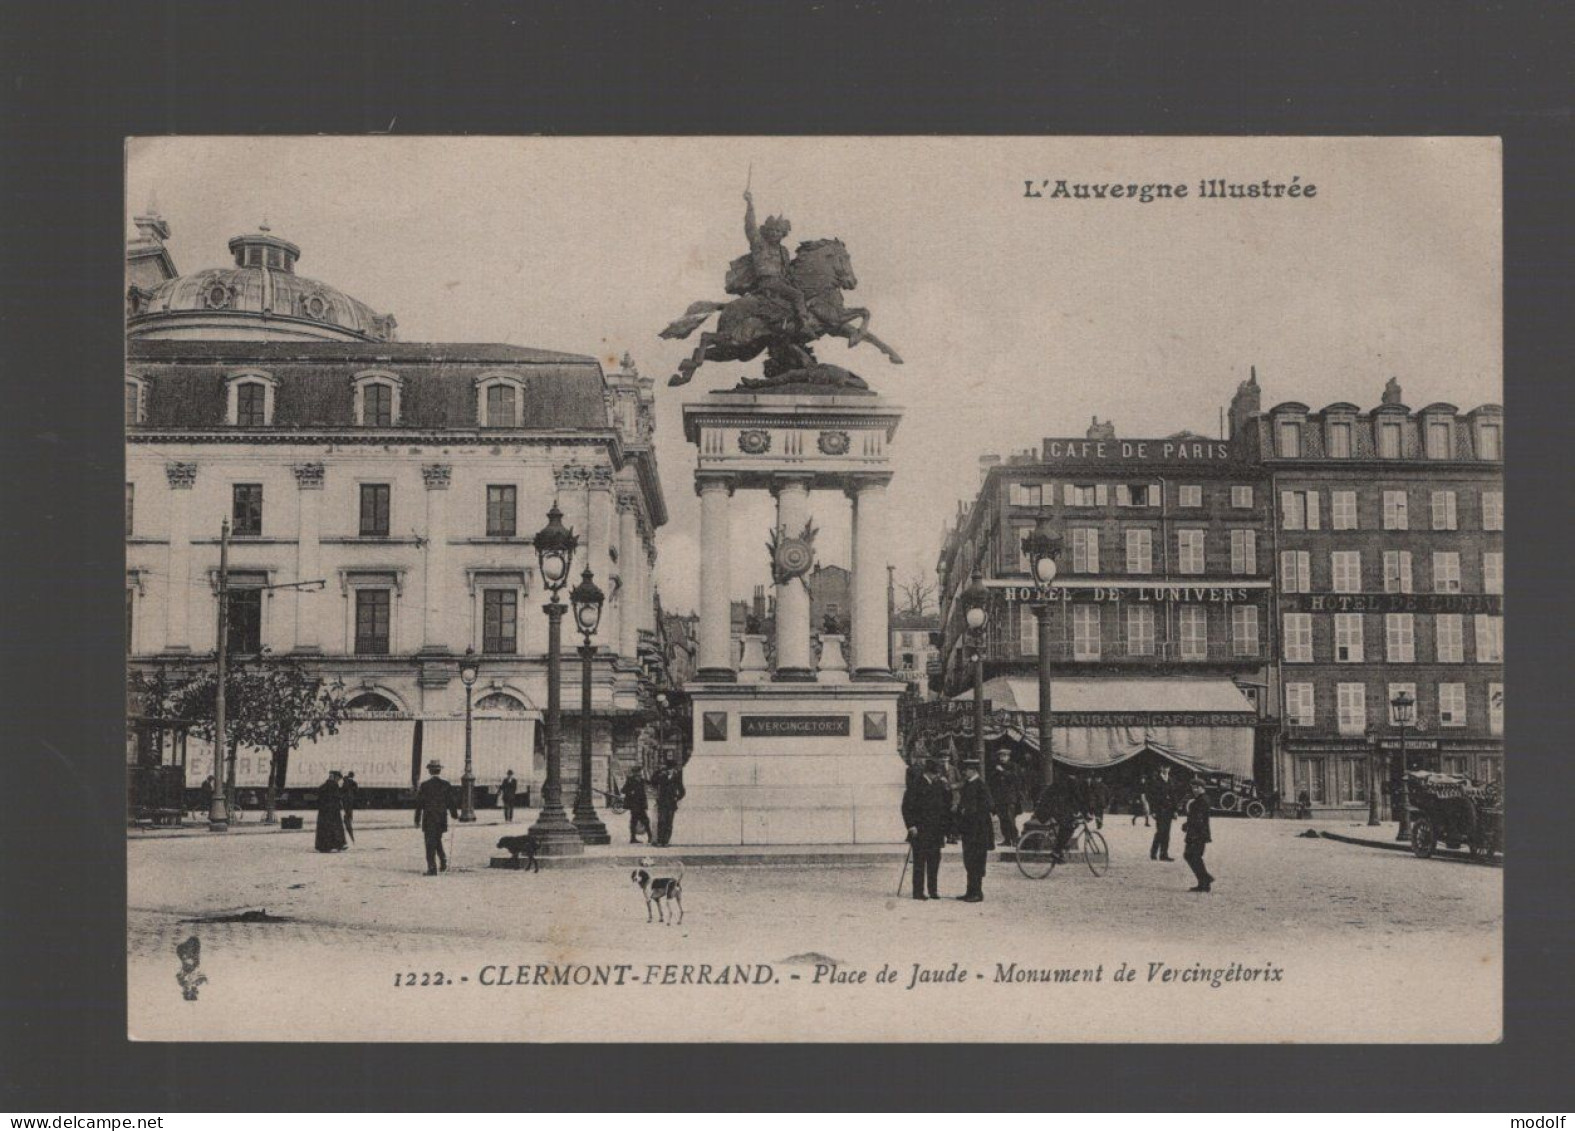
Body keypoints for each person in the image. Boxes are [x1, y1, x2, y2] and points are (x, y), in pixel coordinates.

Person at [738, 189, 813, 330]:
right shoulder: (759, 243)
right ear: (767, 231)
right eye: (772, 230)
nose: (774, 233)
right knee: (798, 295)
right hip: (767, 282)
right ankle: (804, 323)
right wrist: (750, 204)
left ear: (782, 234)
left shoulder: (783, 251)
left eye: (778, 231)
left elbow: (787, 270)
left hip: (781, 282)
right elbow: (750, 226)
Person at [902, 757, 953, 900]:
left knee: (934, 861)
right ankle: (918, 892)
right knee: (919, 862)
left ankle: (933, 890)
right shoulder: (916, 784)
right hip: (920, 830)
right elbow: (906, 807)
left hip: (936, 830)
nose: (938, 776)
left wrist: (947, 789)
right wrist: (911, 825)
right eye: (936, 773)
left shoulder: (938, 785)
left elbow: (946, 804)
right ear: (929, 773)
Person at [954, 759, 995, 902]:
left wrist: (970, 812)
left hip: (978, 831)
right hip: (969, 831)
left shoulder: (981, 786)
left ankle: (977, 893)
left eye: (966, 769)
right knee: (969, 861)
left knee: (977, 862)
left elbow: (989, 805)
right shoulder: (968, 784)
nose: (964, 772)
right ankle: (970, 891)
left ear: (973, 770)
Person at [414, 759, 458, 876]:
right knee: (437, 840)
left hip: (429, 819)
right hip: (442, 819)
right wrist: (454, 814)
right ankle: (443, 861)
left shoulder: (424, 785)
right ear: (439, 770)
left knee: (430, 843)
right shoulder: (446, 785)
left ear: (429, 771)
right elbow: (451, 802)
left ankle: (432, 868)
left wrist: (417, 819)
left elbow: (419, 804)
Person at [1182, 778, 1215, 892]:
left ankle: (1205, 880)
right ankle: (1204, 882)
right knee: (1193, 856)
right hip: (1198, 833)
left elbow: (1198, 819)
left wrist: (1188, 825)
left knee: (1191, 856)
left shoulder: (1201, 801)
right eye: (1193, 787)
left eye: (1197, 787)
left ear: (1202, 788)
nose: (1194, 790)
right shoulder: (1202, 799)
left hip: (1197, 834)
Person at [989, 752, 1021, 846]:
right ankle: (1007, 839)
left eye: (1004, 756)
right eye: (1000, 756)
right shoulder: (997, 767)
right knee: (1002, 819)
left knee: (1010, 819)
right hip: (1000, 798)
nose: (1002, 758)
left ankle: (1014, 839)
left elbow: (1014, 778)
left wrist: (1002, 771)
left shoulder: (1013, 766)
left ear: (1008, 757)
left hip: (1010, 798)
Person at [654, 756, 685, 847]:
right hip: (662, 802)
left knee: (669, 823)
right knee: (661, 821)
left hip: (671, 803)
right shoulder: (661, 775)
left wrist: (677, 797)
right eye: (669, 768)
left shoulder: (677, 777)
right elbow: (653, 781)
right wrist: (659, 772)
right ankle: (660, 841)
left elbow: (682, 790)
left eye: (672, 768)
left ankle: (666, 841)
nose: (670, 770)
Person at [1150, 764, 1179, 861]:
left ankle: (1164, 854)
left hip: (1169, 810)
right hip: (1159, 810)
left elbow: (1174, 796)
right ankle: (1153, 852)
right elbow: (1152, 797)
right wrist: (1153, 811)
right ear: (1161, 768)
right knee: (1160, 831)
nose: (1166, 769)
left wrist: (1175, 810)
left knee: (1167, 833)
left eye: (1168, 767)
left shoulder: (1171, 780)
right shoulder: (1155, 780)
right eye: (1164, 767)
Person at [314, 771, 347, 853]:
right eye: (338, 779)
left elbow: (318, 798)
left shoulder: (323, 786)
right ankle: (338, 844)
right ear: (335, 777)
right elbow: (337, 797)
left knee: (324, 828)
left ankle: (323, 846)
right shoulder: (334, 786)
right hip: (333, 810)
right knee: (335, 827)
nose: (338, 780)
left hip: (323, 811)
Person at [623, 766, 653, 844]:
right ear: (635, 773)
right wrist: (631, 792)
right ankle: (646, 837)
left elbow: (651, 783)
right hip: (634, 805)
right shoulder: (630, 780)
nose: (640, 773)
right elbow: (623, 790)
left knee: (643, 821)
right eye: (638, 772)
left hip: (641, 804)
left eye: (640, 772)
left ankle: (646, 837)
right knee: (639, 821)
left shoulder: (642, 780)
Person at [340, 770, 358, 843]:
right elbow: (356, 790)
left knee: (347, 809)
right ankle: (349, 817)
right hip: (350, 798)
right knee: (349, 809)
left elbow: (342, 789)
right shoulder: (353, 783)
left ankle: (347, 817)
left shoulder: (345, 781)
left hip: (345, 799)